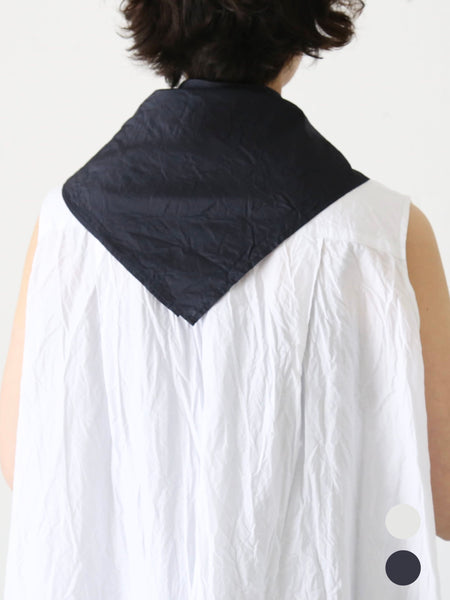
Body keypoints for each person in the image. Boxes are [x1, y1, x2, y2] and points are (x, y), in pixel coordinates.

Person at [1, 0, 449, 598]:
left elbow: (25, 461)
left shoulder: (64, 230)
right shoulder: (382, 236)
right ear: (303, 27)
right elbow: (443, 490)